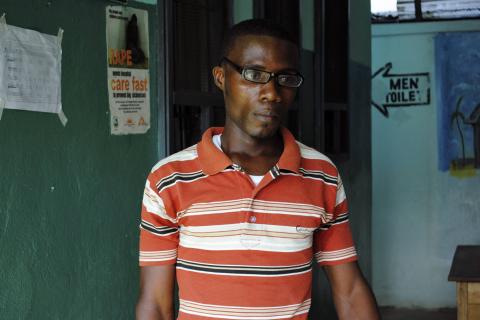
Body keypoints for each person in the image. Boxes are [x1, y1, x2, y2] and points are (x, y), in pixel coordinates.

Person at [136, 19, 380, 320]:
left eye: (286, 79)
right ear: (221, 77)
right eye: (254, 75)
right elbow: (155, 304)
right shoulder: (169, 179)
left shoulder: (321, 175)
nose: (272, 93)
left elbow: (351, 291)